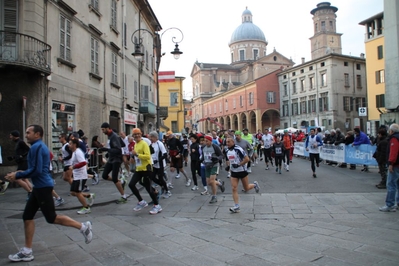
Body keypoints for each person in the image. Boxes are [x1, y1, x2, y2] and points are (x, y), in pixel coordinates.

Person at [5, 125, 92, 262]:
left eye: (29, 132)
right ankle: (27, 251)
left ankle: (83, 227)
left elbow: (37, 170)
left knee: (52, 218)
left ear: (37, 134)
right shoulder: (37, 146)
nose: (26, 135)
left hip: (43, 187)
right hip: (39, 187)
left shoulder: (37, 147)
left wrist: (18, 174)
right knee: (27, 216)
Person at [129, 128, 162, 214]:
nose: (136, 136)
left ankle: (157, 205)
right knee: (131, 184)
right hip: (139, 168)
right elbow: (137, 156)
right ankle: (141, 202)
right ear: (133, 136)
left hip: (146, 168)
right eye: (135, 134)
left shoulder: (144, 143)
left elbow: (147, 156)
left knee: (148, 188)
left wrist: (136, 154)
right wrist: (133, 158)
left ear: (141, 134)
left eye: (138, 134)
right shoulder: (136, 144)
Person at [225, 137, 259, 213]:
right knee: (234, 188)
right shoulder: (227, 150)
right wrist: (229, 167)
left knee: (246, 188)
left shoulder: (238, 149)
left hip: (242, 170)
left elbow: (247, 159)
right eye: (226, 142)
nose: (227, 143)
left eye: (229, 142)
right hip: (234, 172)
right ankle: (236, 206)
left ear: (233, 142)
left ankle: (254, 185)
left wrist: (239, 164)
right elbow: (230, 160)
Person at [99, 122, 127, 203]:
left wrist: (107, 150)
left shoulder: (113, 136)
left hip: (116, 160)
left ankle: (123, 196)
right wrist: (108, 152)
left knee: (114, 178)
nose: (102, 131)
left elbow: (118, 149)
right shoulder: (110, 136)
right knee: (104, 175)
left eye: (103, 129)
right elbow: (117, 146)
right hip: (111, 159)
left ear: (108, 128)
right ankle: (121, 181)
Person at [68, 138, 95, 214]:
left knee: (78, 192)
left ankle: (86, 207)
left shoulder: (78, 152)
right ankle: (89, 196)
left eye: (70, 144)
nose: (68, 145)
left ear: (74, 145)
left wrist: (74, 167)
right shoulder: (74, 152)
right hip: (76, 176)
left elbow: (83, 162)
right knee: (73, 192)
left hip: (80, 176)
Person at [379, 124, 399, 212]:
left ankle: (390, 204)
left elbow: (393, 152)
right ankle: (397, 203)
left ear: (391, 131)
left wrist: (391, 163)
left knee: (391, 184)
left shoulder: (394, 138)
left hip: (395, 164)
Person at [8, 130, 33, 198]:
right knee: (24, 179)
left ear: (14, 136)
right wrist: (13, 157)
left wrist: (22, 156)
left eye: (11, 135)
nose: (10, 137)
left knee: (17, 178)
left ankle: (30, 192)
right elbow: (19, 153)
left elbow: (28, 150)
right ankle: (33, 191)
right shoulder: (17, 142)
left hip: (24, 162)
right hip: (21, 162)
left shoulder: (20, 142)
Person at [201, 135, 225, 203]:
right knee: (209, 183)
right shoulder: (203, 147)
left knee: (212, 181)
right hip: (207, 165)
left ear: (210, 141)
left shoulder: (215, 147)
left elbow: (221, 155)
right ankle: (219, 184)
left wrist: (217, 158)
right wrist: (201, 160)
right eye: (205, 141)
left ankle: (214, 196)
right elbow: (203, 156)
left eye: (207, 141)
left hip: (214, 165)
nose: (206, 142)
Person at [149, 131, 171, 199]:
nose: (150, 138)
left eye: (151, 137)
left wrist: (158, 160)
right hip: (154, 164)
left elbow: (165, 155)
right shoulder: (151, 144)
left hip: (160, 164)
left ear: (155, 137)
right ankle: (163, 186)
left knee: (160, 178)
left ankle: (167, 191)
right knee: (152, 177)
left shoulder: (160, 144)